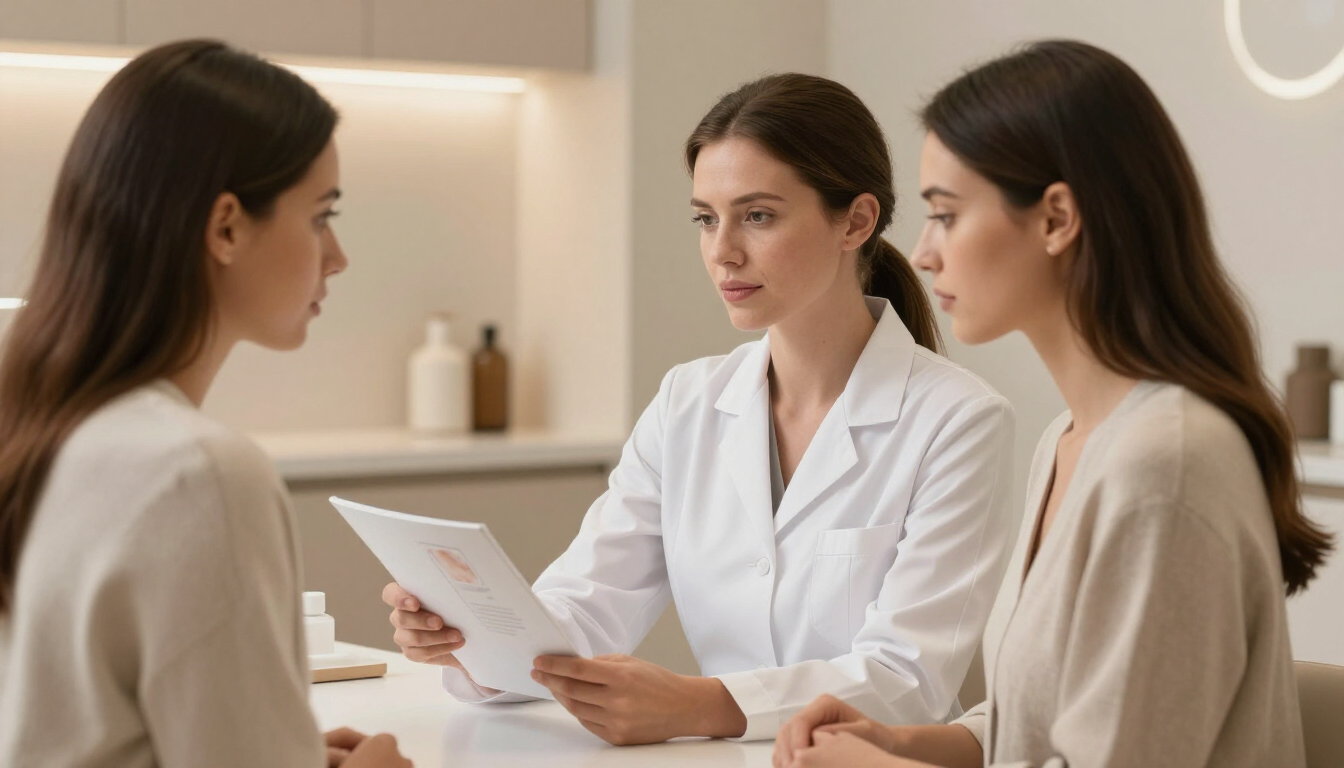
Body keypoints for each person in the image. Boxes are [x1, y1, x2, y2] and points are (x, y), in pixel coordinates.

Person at [382, 73, 1018, 745]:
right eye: (706, 218)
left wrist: (702, 706)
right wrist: (474, 641)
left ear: (855, 221)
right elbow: (589, 602)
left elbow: (907, 679)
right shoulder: (687, 402)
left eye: (758, 216)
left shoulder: (958, 421)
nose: (722, 251)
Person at [773, 40, 1332, 768]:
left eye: (945, 214)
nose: (921, 252)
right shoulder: (1068, 441)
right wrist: (901, 742)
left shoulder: (1165, 467)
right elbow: (1035, 726)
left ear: (1056, 217)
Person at [0, 40, 411, 768]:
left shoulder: (42, 426)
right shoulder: (197, 473)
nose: (336, 255)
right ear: (225, 226)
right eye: (321, 216)